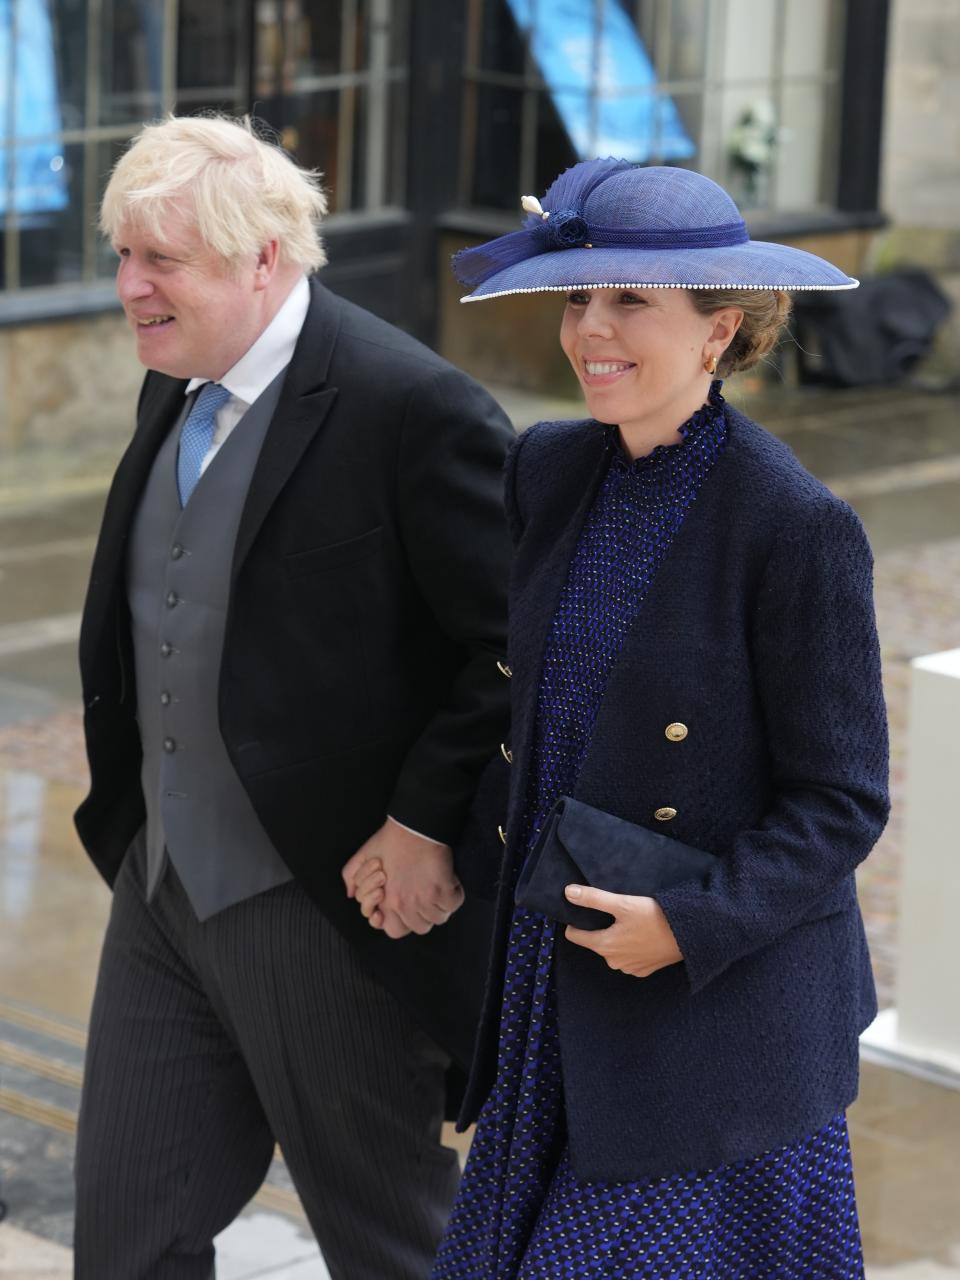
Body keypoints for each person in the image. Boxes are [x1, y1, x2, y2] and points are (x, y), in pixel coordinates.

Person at [355, 160, 889, 1278]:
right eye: (577, 297)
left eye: (631, 301)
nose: (591, 329)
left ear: (717, 332)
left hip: (711, 1013)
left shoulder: (795, 524)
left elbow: (841, 799)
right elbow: (529, 700)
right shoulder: (549, 468)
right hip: (554, 984)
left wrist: (688, 922)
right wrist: (433, 825)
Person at [72, 113, 514, 1280]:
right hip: (163, 886)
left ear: (261, 256)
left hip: (326, 909)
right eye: (122, 254)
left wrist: (424, 820)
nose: (129, 286)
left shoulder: (415, 409)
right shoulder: (175, 384)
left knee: (396, 1248)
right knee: (125, 1240)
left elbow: (515, 651)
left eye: (160, 258)